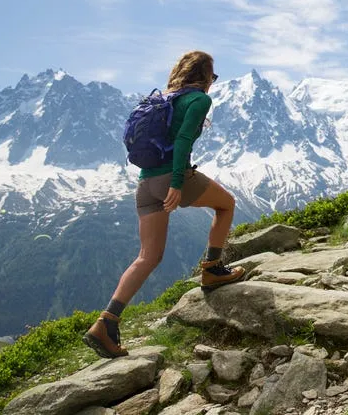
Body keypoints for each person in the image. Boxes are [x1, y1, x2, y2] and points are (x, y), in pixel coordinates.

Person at [83, 51, 245, 359]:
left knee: (147, 257)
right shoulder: (198, 100)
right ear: (206, 76)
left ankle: (106, 322)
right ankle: (212, 269)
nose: (213, 82)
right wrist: (177, 183)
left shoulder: (166, 98)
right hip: (171, 177)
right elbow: (183, 140)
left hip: (145, 185)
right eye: (213, 77)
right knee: (226, 204)